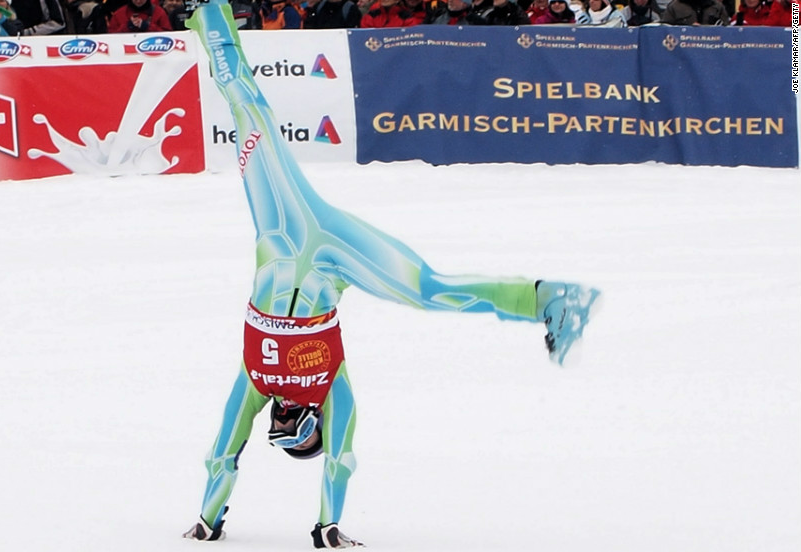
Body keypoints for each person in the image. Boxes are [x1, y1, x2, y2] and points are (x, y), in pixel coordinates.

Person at [181, 0, 600, 548]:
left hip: (280, 230)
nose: (278, 425)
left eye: (276, 432)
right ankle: (551, 298)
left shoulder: (255, 383)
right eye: (292, 434)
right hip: (337, 255)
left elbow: (223, 451)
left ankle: (209, 15)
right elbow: (342, 457)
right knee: (430, 290)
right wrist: (328, 524)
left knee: (248, 113)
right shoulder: (332, 390)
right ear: (309, 427)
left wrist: (210, 520)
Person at [660, 0, 729, 25]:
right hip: (682, 52)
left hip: (712, 51)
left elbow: (726, 33)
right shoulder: (674, 7)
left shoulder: (717, 7)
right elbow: (665, 30)